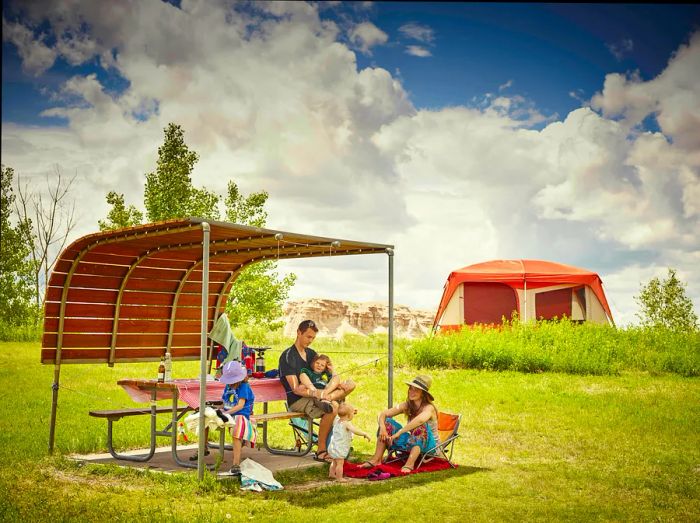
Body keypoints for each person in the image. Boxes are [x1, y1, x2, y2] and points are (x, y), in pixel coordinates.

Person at [279, 319, 356, 463]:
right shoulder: (288, 356)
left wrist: (335, 384)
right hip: (298, 400)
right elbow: (296, 389)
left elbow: (324, 374)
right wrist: (315, 393)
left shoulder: (311, 353)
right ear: (298, 333)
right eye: (308, 337)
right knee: (333, 408)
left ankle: (328, 396)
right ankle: (321, 451)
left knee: (350, 384)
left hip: (320, 393)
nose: (311, 340)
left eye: (313, 338)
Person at [189, 361, 256, 476]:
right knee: (205, 418)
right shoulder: (228, 387)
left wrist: (226, 413)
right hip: (227, 413)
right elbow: (225, 403)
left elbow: (240, 405)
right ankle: (203, 447)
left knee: (236, 432)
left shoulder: (244, 386)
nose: (230, 384)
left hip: (240, 414)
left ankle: (236, 464)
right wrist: (214, 409)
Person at [360, 375, 439, 473]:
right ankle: (376, 460)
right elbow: (383, 414)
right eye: (411, 389)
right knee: (387, 422)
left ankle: (409, 465)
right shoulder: (408, 405)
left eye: (416, 390)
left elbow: (419, 421)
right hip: (413, 441)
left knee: (420, 427)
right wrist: (382, 428)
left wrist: (399, 433)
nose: (411, 392)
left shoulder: (429, 408)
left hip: (430, 446)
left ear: (423, 394)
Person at [327, 403, 371, 482]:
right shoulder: (346, 424)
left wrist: (351, 411)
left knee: (334, 461)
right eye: (352, 414)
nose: (353, 415)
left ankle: (331, 474)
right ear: (348, 415)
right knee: (340, 463)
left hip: (333, 446)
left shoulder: (337, 421)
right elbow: (355, 430)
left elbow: (342, 412)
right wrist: (364, 434)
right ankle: (339, 478)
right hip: (340, 447)